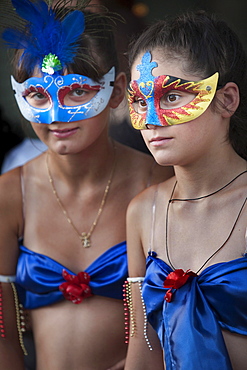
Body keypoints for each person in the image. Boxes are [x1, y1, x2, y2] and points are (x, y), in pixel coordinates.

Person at [0, 1, 174, 369]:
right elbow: (3, 339)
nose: (56, 115)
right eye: (38, 95)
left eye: (77, 91)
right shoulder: (10, 193)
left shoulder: (158, 183)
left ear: (115, 91)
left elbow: (181, 319)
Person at [124, 10, 247, 370]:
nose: (150, 118)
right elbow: (142, 345)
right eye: (140, 101)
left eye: (172, 98)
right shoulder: (141, 211)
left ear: (225, 100)